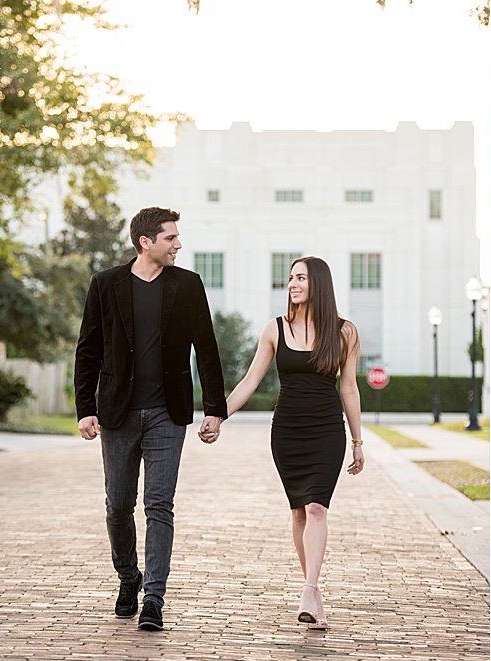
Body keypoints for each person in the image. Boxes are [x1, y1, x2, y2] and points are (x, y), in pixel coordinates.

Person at [74, 206, 227, 632]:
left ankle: (155, 597)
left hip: (167, 413)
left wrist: (215, 408)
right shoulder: (106, 284)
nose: (178, 244)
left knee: (159, 505)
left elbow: (207, 348)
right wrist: (85, 407)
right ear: (146, 242)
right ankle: (128, 577)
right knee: (118, 505)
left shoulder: (188, 285)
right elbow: (88, 349)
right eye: (170, 238)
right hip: (118, 413)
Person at [215, 256, 364, 629]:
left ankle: (308, 589)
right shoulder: (275, 328)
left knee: (316, 508)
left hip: (327, 429)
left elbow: (349, 388)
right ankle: (314, 595)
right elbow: (249, 382)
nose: (292, 284)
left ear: (319, 284)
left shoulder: (345, 333)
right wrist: (219, 415)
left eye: (300, 277)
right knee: (299, 511)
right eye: (290, 278)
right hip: (287, 430)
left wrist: (358, 441)